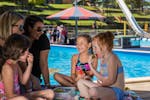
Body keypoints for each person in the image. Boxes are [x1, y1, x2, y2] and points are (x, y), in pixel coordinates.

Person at [0, 34, 54, 100]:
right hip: (8, 98)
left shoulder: (15, 64)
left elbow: (23, 81)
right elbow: (10, 96)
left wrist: (30, 64)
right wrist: (34, 98)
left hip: (18, 95)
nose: (28, 53)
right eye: (26, 50)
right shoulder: (7, 68)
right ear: (17, 50)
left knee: (50, 93)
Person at [77, 31, 125, 100]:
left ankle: (89, 96)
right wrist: (90, 68)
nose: (94, 50)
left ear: (104, 47)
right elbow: (102, 77)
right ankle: (87, 98)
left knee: (93, 91)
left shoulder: (112, 58)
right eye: (93, 48)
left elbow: (111, 80)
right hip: (105, 88)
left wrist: (100, 85)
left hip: (115, 91)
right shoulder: (102, 59)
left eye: (95, 48)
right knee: (80, 82)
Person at [23, 15, 51, 89]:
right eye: (38, 29)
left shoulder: (43, 39)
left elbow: (43, 63)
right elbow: (19, 62)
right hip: (21, 75)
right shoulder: (20, 39)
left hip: (36, 78)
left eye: (42, 30)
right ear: (29, 28)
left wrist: (47, 85)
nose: (41, 32)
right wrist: (31, 78)